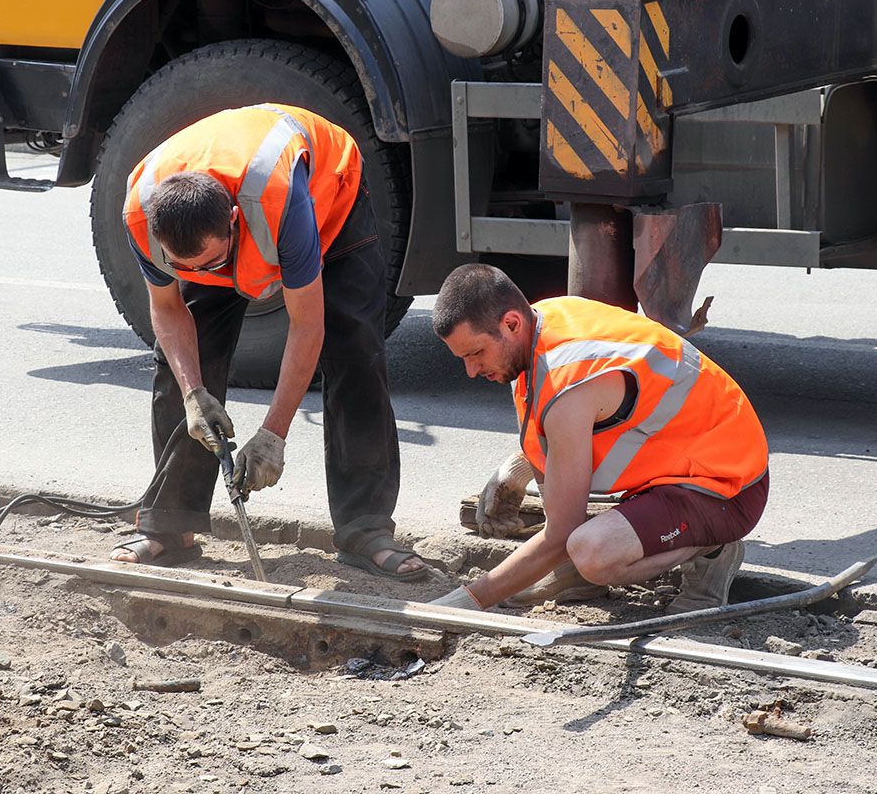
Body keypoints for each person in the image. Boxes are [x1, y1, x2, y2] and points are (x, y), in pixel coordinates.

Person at [109, 103, 425, 581]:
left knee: (355, 349)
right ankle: (169, 527)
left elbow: (308, 326)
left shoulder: (282, 201)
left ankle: (366, 531)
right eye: (188, 266)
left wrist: (272, 435)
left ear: (234, 220)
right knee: (178, 367)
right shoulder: (142, 214)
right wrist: (195, 396)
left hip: (329, 199)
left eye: (215, 262)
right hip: (217, 212)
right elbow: (168, 311)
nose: (207, 276)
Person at [429, 263, 768, 612]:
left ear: (511, 324)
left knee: (593, 552)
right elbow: (551, 436)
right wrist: (516, 470)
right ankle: (571, 570)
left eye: (475, 354)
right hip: (681, 468)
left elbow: (561, 534)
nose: (470, 371)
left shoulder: (570, 382)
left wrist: (467, 601)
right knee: (575, 541)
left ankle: (712, 549)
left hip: (729, 489)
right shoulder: (542, 321)